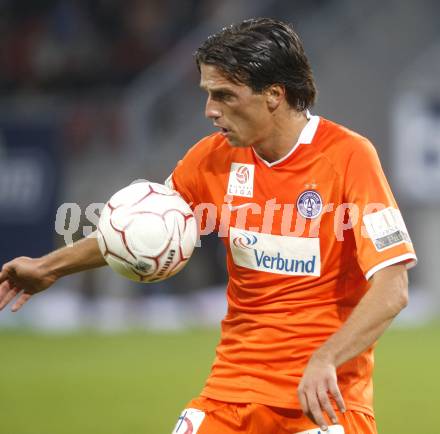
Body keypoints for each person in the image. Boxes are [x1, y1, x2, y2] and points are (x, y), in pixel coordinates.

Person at [0, 18, 417, 434]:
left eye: (224, 95)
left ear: (274, 95)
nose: (210, 110)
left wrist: (327, 357)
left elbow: (392, 287)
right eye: (208, 94)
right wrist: (48, 267)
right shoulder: (212, 158)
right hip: (231, 395)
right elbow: (134, 231)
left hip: (326, 398)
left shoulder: (349, 157)